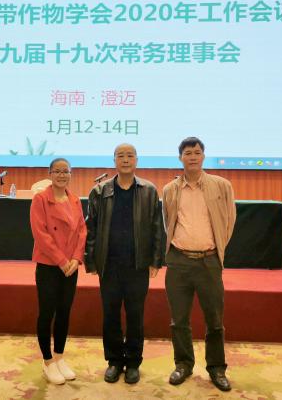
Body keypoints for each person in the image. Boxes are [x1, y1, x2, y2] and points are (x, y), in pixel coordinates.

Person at [85, 143, 163, 384]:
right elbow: (91, 228)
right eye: (121, 156)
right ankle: (114, 361)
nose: (126, 159)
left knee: (135, 315)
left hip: (137, 265)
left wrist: (155, 260)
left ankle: (133, 362)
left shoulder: (149, 191)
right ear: (114, 161)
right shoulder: (100, 191)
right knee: (110, 315)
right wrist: (91, 260)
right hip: (109, 266)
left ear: (137, 160)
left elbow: (157, 228)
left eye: (130, 155)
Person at [162, 137, 236, 391]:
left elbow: (229, 221)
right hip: (178, 261)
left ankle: (216, 368)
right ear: (180, 158)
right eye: (187, 153)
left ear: (203, 156)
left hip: (209, 261)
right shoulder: (170, 189)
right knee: (178, 320)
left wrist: (215, 250)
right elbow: (167, 222)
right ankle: (183, 364)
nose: (192, 157)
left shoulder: (221, 185)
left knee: (214, 320)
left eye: (196, 152)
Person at [30, 158, 87, 385]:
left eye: (66, 171)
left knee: (64, 312)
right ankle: (47, 361)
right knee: (47, 313)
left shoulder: (75, 199)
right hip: (49, 265)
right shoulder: (41, 199)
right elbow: (41, 234)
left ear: (71, 174)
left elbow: (82, 230)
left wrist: (76, 258)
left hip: (70, 267)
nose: (62, 175)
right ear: (50, 174)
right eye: (57, 171)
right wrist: (62, 260)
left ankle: (60, 357)